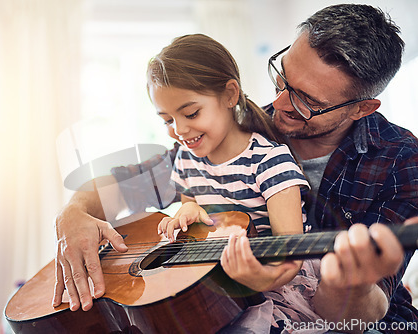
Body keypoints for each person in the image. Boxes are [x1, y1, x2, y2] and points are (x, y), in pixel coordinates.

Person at [53, 3, 418, 332]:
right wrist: (74, 213)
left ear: (361, 108)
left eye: (307, 100)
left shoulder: (402, 161)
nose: (279, 102)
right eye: (282, 77)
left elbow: (357, 316)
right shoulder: (236, 130)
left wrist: (343, 283)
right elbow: (123, 185)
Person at [148, 34, 322, 330]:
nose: (178, 129)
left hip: (279, 287)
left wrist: (261, 279)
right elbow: (192, 212)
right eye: (167, 120)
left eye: (191, 113)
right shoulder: (187, 159)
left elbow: (291, 253)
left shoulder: (270, 162)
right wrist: (185, 214)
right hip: (220, 287)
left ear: (230, 95)